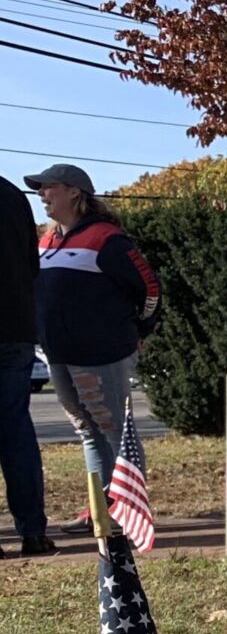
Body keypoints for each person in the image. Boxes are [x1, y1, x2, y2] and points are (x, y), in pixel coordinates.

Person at [25, 164, 161, 526]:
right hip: (58, 356)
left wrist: (139, 332)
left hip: (103, 355)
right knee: (87, 433)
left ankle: (130, 514)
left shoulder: (107, 239)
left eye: (48, 188)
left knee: (116, 432)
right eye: (39, 190)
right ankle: (101, 511)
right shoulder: (45, 241)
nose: (42, 195)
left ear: (74, 192)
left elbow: (149, 289)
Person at [0, 174, 52, 556]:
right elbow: (32, 263)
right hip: (15, 327)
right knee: (15, 430)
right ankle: (32, 532)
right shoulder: (13, 196)